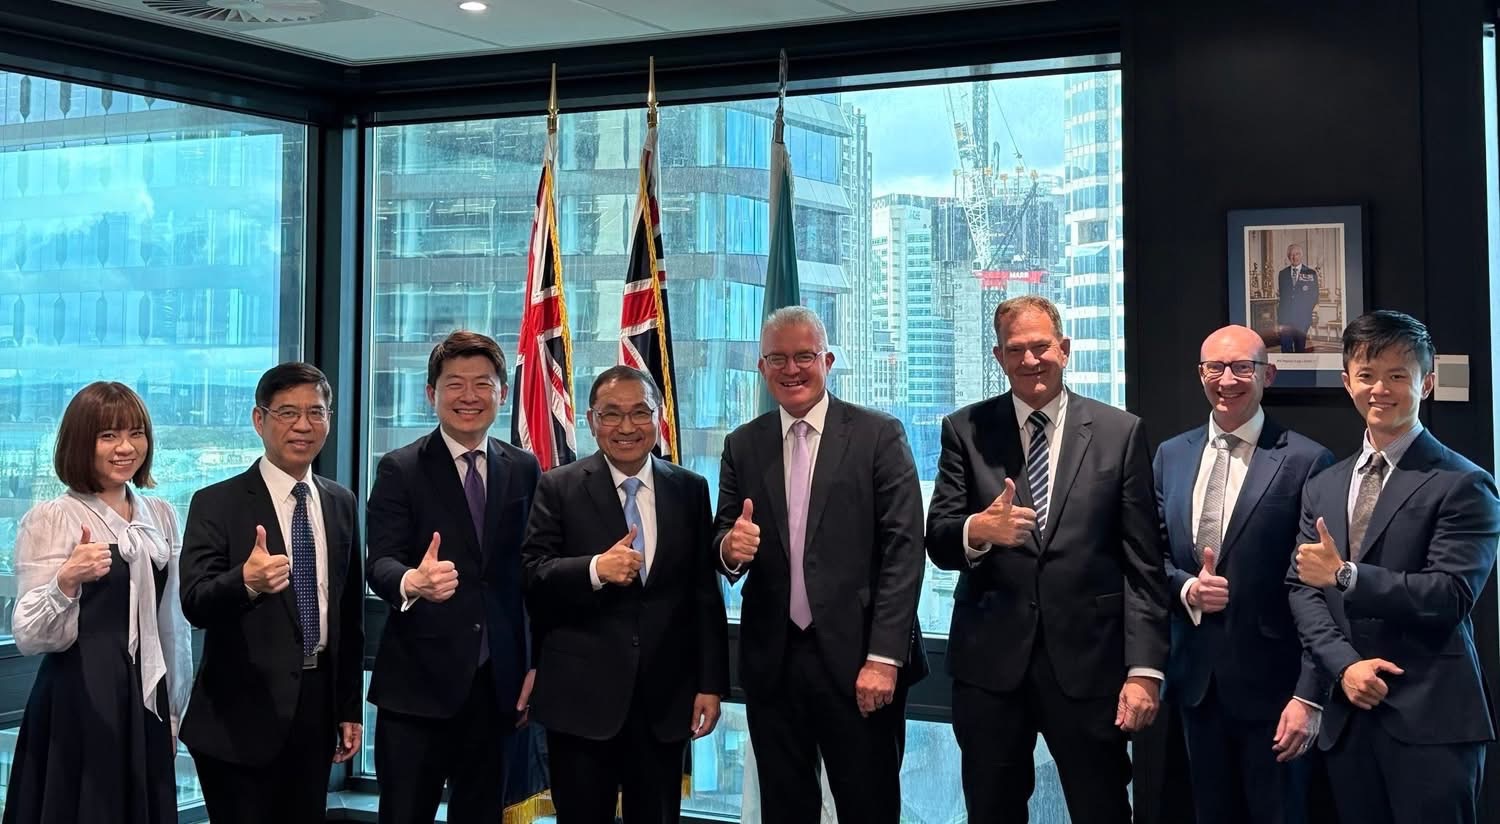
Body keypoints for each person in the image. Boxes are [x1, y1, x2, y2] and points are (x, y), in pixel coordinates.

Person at [926, 294, 1170, 824]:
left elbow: (1144, 566)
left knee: (1103, 810)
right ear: (998, 356)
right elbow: (939, 540)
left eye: (1040, 347)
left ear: (1065, 348)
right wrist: (977, 530)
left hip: (1091, 668)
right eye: (1015, 349)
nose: (1030, 360)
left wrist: (1145, 669)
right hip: (990, 670)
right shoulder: (965, 430)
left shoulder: (1119, 432)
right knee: (991, 811)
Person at [715, 305, 927, 824]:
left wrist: (884, 658)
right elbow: (723, 536)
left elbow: (904, 550)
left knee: (869, 808)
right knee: (785, 810)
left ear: (827, 361)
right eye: (778, 359)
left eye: (804, 357)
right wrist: (729, 549)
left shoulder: (878, 434)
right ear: (762, 368)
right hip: (774, 666)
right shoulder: (743, 444)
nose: (792, 370)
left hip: (861, 664)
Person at [1290, 310, 1498, 824]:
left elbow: (1449, 596)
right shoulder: (1324, 484)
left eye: (1397, 375)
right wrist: (1344, 666)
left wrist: (1347, 576)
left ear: (1426, 383)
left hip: (1432, 719)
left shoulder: (1464, 483)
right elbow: (1303, 589)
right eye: (1366, 375)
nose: (1380, 389)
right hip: (1349, 712)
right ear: (1347, 383)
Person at [522, 365, 729, 824]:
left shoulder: (689, 489)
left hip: (665, 702)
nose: (627, 426)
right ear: (591, 420)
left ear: (659, 417)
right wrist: (595, 569)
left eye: (640, 412)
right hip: (581, 701)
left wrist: (711, 684)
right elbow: (533, 576)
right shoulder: (558, 486)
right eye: (612, 414)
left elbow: (703, 595)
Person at [1152, 325, 1334, 824]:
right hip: (1195, 685)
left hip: (1275, 691)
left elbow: (1318, 587)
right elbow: (1151, 556)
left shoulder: (1306, 459)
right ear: (1200, 374)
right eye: (1215, 367)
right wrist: (1187, 588)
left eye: (1241, 368)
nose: (1227, 379)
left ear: (1267, 375)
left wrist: (1309, 694)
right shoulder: (1171, 455)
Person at [366, 330, 541, 824]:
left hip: (498, 688)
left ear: (502, 393)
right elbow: (379, 562)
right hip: (417, 689)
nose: (469, 396)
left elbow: (534, 575)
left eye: (482, 384)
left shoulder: (524, 468)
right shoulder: (400, 468)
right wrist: (413, 581)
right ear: (431, 394)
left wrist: (535, 663)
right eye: (454, 384)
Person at [178, 363, 364, 824]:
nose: (303, 425)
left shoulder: (340, 502)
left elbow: (348, 613)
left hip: (317, 709)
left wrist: (348, 708)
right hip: (237, 718)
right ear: (259, 420)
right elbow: (195, 602)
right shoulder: (216, 502)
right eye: (287, 413)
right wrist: (246, 581)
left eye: (315, 412)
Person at [2, 382, 191, 824]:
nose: (126, 447)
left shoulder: (161, 515)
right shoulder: (53, 517)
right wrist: (66, 580)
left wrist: (175, 710)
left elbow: (173, 624)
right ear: (80, 442)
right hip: (80, 693)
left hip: (148, 693)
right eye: (108, 436)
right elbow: (29, 635)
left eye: (135, 433)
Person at [1277, 244, 1319, 354]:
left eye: (1297, 254)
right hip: (1285, 319)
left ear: (1301, 255)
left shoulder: (1310, 273)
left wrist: (1305, 311)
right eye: (1291, 255)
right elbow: (1283, 296)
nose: (1294, 257)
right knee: (1285, 349)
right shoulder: (1282, 274)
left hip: (1302, 319)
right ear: (1288, 257)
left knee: (1300, 349)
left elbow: (1314, 295)